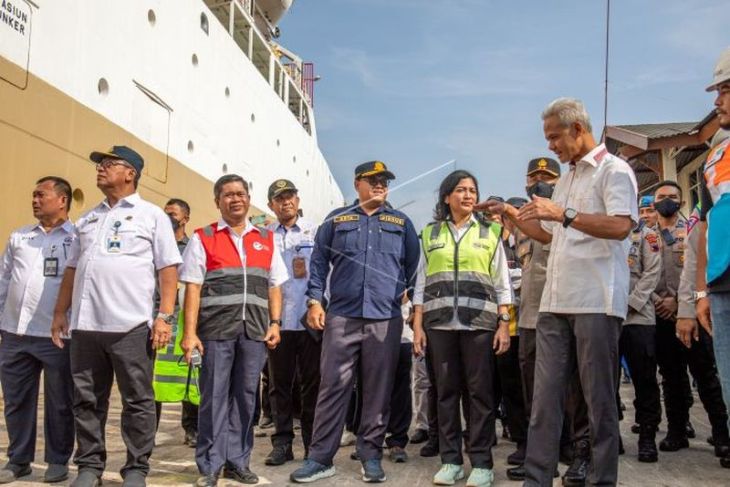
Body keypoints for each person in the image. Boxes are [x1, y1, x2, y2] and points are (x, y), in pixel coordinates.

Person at [495, 98, 637, 486]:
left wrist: (564, 214)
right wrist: (513, 216)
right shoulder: (568, 179)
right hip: (554, 302)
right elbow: (551, 236)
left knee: (598, 401)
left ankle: (601, 479)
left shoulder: (615, 170)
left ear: (577, 129)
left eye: (554, 137)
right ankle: (537, 479)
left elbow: (621, 226)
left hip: (596, 301)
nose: (551, 147)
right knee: (544, 399)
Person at [51, 146, 182, 487]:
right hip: (86, 326)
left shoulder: (151, 216)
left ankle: (136, 467)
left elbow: (168, 269)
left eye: (109, 164)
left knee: (137, 400)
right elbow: (73, 268)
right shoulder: (88, 219)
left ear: (130, 173)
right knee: (87, 399)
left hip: (131, 326)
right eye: (99, 164)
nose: (101, 169)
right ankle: (90, 466)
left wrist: (164, 316)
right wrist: (59, 312)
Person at [290, 161, 420, 484]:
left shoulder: (401, 223)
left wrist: (414, 303)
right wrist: (315, 301)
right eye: (372, 180)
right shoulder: (337, 220)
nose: (380, 185)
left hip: (384, 320)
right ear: (357, 183)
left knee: (378, 390)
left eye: (384, 181)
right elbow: (318, 263)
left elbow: (416, 268)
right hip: (342, 317)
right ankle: (320, 457)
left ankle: (371, 455)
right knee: (333, 386)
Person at [480, 159, 587, 483]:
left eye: (547, 177)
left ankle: (579, 452)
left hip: (564, 311)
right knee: (534, 392)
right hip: (528, 316)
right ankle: (542, 454)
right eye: (534, 177)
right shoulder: (523, 220)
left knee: (573, 389)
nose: (540, 181)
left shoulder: (568, 212)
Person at [178, 174, 286, 487]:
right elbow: (193, 289)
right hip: (214, 332)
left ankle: (238, 462)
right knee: (213, 398)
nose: (235, 199)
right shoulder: (203, 237)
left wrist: (275, 323)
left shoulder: (265, 239)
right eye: (228, 195)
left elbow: (275, 285)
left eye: (240, 193)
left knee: (245, 398)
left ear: (248, 198)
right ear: (217, 202)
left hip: (254, 332)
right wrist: (189, 333)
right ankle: (210, 465)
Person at [411, 170, 513, 487]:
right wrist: (418, 325)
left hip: (479, 325)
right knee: (445, 394)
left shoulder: (491, 231)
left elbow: (503, 284)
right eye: (460, 190)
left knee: (480, 395)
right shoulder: (430, 234)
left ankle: (481, 463)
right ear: (446, 197)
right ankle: (451, 461)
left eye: (472, 190)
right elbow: (421, 284)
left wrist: (504, 323)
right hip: (440, 324)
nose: (468, 195)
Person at [0, 177, 75, 484]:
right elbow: (4, 280)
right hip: (14, 333)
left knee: (59, 401)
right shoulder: (20, 236)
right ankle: (19, 460)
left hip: (57, 336)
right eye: (33, 195)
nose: (35, 200)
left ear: (62, 200)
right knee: (16, 399)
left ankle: (58, 461)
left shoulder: (77, 238)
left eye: (41, 195)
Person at [651, 180, 729, 455]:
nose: (666, 201)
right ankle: (677, 431)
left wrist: (681, 304)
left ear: (682, 202)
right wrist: (660, 301)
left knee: (706, 376)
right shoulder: (643, 236)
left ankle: (721, 434)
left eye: (672, 196)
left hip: (693, 316)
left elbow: (698, 269)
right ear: (653, 203)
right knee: (670, 378)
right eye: (661, 197)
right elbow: (638, 274)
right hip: (659, 315)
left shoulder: (695, 229)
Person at [263, 179, 321, 466]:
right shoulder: (264, 234)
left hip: (308, 319)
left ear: (297, 200)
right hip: (278, 322)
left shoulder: (315, 231)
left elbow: (325, 271)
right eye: (279, 198)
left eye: (290, 197)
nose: (285, 202)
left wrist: (319, 304)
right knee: (278, 385)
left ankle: (312, 444)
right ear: (271, 205)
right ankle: (282, 443)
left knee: (312, 384)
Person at [696, 47, 730, 469]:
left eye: (725, 90)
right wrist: (702, 289)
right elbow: (705, 225)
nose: (717, 101)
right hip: (722, 285)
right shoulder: (714, 157)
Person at [153, 198, 199, 447]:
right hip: (155, 316)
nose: (168, 216)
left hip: (183, 318)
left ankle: (191, 428)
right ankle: (149, 430)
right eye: (165, 212)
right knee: (153, 377)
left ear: (185, 218)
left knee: (189, 373)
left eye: (172, 213)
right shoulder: (153, 244)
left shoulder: (192, 246)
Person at [620, 209, 662, 462]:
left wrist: (631, 302)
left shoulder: (647, 236)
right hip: (608, 318)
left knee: (645, 380)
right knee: (606, 382)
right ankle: (611, 435)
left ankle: (647, 436)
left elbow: (652, 273)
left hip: (638, 318)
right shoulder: (604, 236)